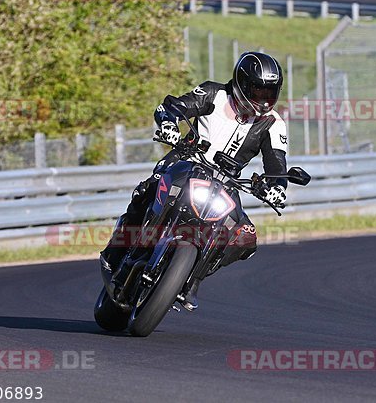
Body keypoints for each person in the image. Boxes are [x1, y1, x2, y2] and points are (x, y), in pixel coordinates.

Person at [100, 51, 289, 311]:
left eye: (269, 93)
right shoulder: (214, 94)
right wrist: (169, 123)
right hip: (187, 163)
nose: (263, 100)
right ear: (241, 83)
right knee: (148, 190)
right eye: (257, 91)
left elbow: (277, 163)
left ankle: (191, 278)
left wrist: (276, 187)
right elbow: (175, 106)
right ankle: (115, 252)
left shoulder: (273, 123)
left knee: (246, 238)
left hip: (226, 183)